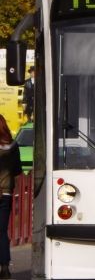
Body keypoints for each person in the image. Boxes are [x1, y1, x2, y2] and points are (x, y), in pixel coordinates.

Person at [0, 115, 22, 279]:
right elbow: (17, 170)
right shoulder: (13, 146)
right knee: (1, 231)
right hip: (5, 193)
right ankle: (5, 267)